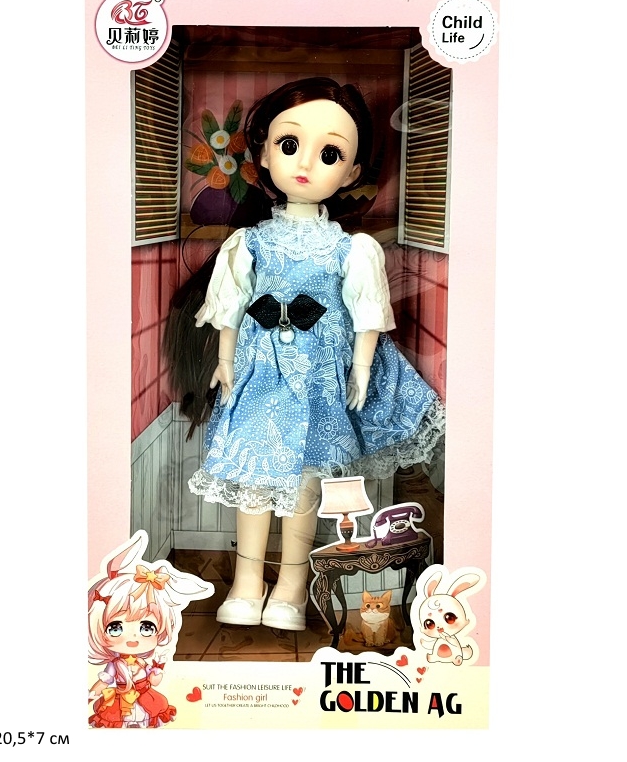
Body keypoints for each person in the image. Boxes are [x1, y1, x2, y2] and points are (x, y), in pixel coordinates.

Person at [176, 77, 445, 631]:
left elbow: (368, 313)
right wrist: (224, 360)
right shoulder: (248, 243)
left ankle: (292, 587)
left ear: (350, 173)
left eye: (329, 154)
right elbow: (229, 306)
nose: (305, 164)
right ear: (263, 154)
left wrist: (362, 368)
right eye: (289, 144)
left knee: (304, 479)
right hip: (258, 370)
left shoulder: (352, 248)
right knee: (255, 475)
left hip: (320, 376)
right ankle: (247, 582)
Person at [88, 531, 211, 727]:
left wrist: (157, 671)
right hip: (120, 702)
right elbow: (104, 681)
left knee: (146, 720)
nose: (133, 637)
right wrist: (89, 695)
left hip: (146, 699)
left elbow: (154, 681)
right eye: (115, 628)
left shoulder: (144, 663)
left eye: (146, 627)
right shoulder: (115, 665)